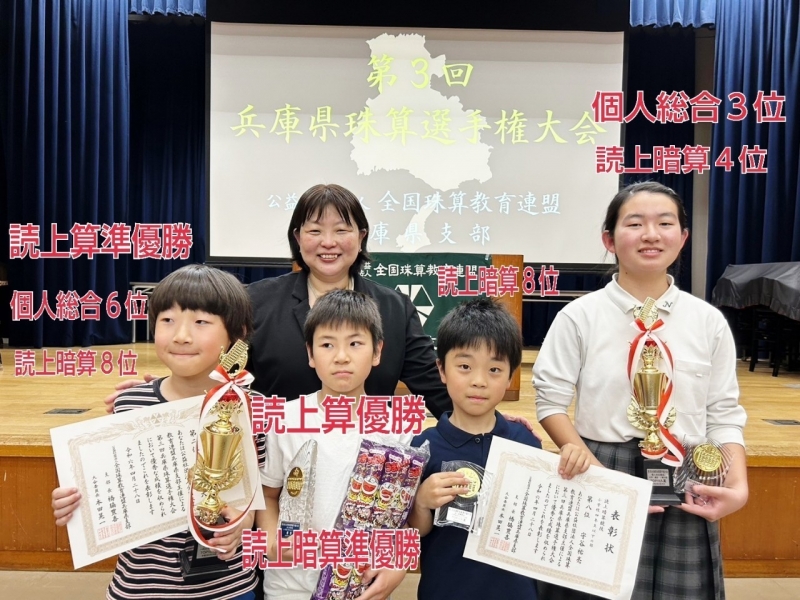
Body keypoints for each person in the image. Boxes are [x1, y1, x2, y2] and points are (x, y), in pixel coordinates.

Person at [533, 182, 748, 600]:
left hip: (685, 471)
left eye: (665, 223)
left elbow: (724, 412)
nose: (651, 234)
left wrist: (738, 485)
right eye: (635, 223)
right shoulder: (579, 316)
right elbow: (550, 401)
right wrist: (592, 468)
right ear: (609, 240)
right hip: (600, 466)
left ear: (683, 237)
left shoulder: (708, 322)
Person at [105, 184, 451, 419]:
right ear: (297, 238)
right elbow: (225, 371)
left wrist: (477, 428)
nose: (328, 242)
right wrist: (169, 392)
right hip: (272, 457)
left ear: (361, 237)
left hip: (363, 461)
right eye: (314, 231)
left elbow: (434, 388)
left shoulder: (393, 308)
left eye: (342, 230)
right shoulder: (257, 301)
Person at [51, 264, 263, 600]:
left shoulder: (252, 408)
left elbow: (261, 495)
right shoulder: (130, 404)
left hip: (227, 588)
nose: (181, 335)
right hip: (139, 586)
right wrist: (75, 502)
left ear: (236, 334)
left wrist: (242, 526)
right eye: (167, 320)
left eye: (201, 322)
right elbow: (113, 488)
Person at [407, 297, 591, 600]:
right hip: (446, 590)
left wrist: (573, 468)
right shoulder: (422, 447)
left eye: (494, 369)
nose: (479, 381)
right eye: (464, 366)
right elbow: (416, 531)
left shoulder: (525, 442)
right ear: (441, 370)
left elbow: (545, 520)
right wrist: (422, 502)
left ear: (510, 376)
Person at [258, 289, 408, 600]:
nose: (341, 356)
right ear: (310, 354)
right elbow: (268, 494)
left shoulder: (398, 429)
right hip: (289, 588)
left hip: (361, 588)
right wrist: (274, 542)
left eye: (355, 343)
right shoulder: (284, 419)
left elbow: (400, 513)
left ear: (377, 351)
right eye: (327, 344)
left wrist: (397, 561)